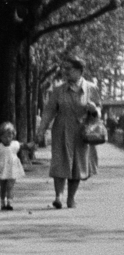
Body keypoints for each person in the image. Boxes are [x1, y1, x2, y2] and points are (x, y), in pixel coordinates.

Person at [36, 54, 101, 209]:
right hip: (61, 130)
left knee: (77, 166)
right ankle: (58, 196)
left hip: (82, 132)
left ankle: (71, 198)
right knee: (59, 163)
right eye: (63, 68)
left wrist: (93, 110)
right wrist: (41, 131)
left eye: (69, 69)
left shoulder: (91, 88)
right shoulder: (59, 90)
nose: (65, 72)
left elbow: (98, 111)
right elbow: (49, 111)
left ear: (80, 70)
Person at [0, 121, 24, 211]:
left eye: (10, 136)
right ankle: (2, 202)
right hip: (2, 168)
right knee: (3, 186)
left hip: (12, 168)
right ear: (0, 136)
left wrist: (32, 145)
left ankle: (9, 202)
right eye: (5, 137)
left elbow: (24, 146)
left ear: (13, 136)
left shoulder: (15, 144)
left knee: (10, 186)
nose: (7, 139)